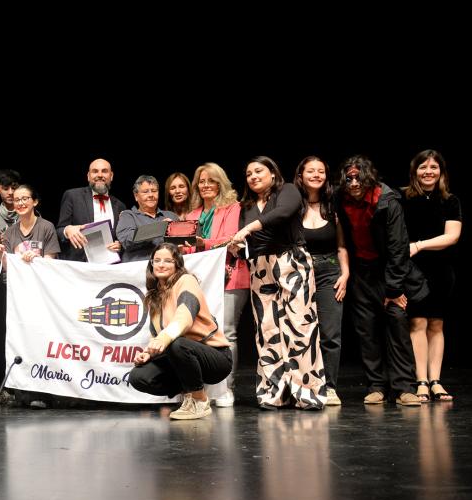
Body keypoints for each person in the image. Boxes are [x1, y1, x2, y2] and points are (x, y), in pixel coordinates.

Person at [230, 156, 327, 410]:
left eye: (258, 171)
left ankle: (307, 392)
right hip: (260, 268)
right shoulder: (247, 205)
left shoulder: (288, 191)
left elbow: (283, 213)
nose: (253, 177)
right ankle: (274, 392)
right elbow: (246, 243)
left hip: (291, 261)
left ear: (272, 173)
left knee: (300, 327)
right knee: (267, 330)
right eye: (248, 173)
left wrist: (249, 229)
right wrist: (238, 248)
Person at [337, 154, 425, 407]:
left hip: (388, 270)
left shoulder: (387, 200)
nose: (354, 183)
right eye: (349, 178)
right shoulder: (341, 200)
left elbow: (398, 247)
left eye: (358, 178)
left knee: (396, 324)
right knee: (367, 329)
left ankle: (404, 388)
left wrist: (394, 287)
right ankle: (376, 386)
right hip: (362, 272)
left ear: (369, 178)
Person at [129, 243, 233, 420]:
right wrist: (148, 353)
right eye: (157, 260)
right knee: (139, 376)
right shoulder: (155, 296)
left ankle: (200, 401)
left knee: (176, 343)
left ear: (177, 264)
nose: (161, 264)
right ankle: (188, 394)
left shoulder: (186, 281)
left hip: (216, 357)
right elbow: (156, 335)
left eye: (168, 261)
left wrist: (164, 338)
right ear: (151, 265)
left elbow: (184, 316)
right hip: (181, 355)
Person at [180, 163, 249, 407]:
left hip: (232, 276)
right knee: (197, 334)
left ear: (220, 183)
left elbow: (229, 240)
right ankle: (202, 388)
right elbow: (187, 247)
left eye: (211, 180)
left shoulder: (233, 208)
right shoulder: (191, 214)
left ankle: (226, 389)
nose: (206, 185)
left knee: (227, 332)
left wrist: (200, 243)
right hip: (200, 281)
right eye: (201, 181)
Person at [403, 149, 461, 402]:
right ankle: (421, 382)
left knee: (437, 324)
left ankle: (436, 380)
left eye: (434, 167)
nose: (428, 172)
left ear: (441, 172)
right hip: (412, 271)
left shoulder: (450, 200)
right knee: (417, 323)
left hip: (441, 269)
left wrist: (418, 245)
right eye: (423, 167)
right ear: (415, 171)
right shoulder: (402, 197)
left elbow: (452, 236)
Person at [0, 184, 60, 408]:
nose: (20, 203)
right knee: (20, 341)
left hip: (42, 296)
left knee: (42, 341)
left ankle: (43, 393)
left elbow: (52, 261)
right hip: (18, 298)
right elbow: (7, 266)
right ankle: (22, 393)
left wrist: (38, 259)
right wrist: (1, 255)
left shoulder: (46, 227)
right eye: (17, 199)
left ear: (35, 202)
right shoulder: (10, 232)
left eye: (25, 199)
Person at [294, 156, 350, 406]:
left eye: (321, 171)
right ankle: (303, 385)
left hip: (329, 272)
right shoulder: (293, 206)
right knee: (301, 333)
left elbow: (341, 246)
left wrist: (345, 274)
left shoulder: (333, 206)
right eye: (311, 171)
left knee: (330, 333)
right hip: (299, 272)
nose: (316, 175)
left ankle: (329, 387)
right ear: (301, 175)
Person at [56, 158, 125, 261]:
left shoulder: (120, 205)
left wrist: (120, 245)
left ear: (111, 176)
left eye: (104, 171)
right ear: (88, 176)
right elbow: (59, 230)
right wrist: (68, 230)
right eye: (95, 171)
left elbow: (121, 237)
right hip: (78, 265)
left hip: (109, 265)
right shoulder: (72, 196)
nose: (100, 175)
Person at [0, 169, 21, 388]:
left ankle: (22, 382)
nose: (10, 192)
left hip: (23, 284)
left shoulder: (30, 216)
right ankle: (1, 383)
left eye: (14, 187)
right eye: (6, 188)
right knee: (0, 331)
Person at [116, 175, 177, 262]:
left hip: (169, 266)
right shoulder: (128, 216)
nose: (151, 195)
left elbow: (181, 243)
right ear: (136, 196)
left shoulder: (171, 216)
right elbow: (126, 241)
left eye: (154, 191)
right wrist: (157, 229)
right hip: (138, 269)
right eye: (145, 192)